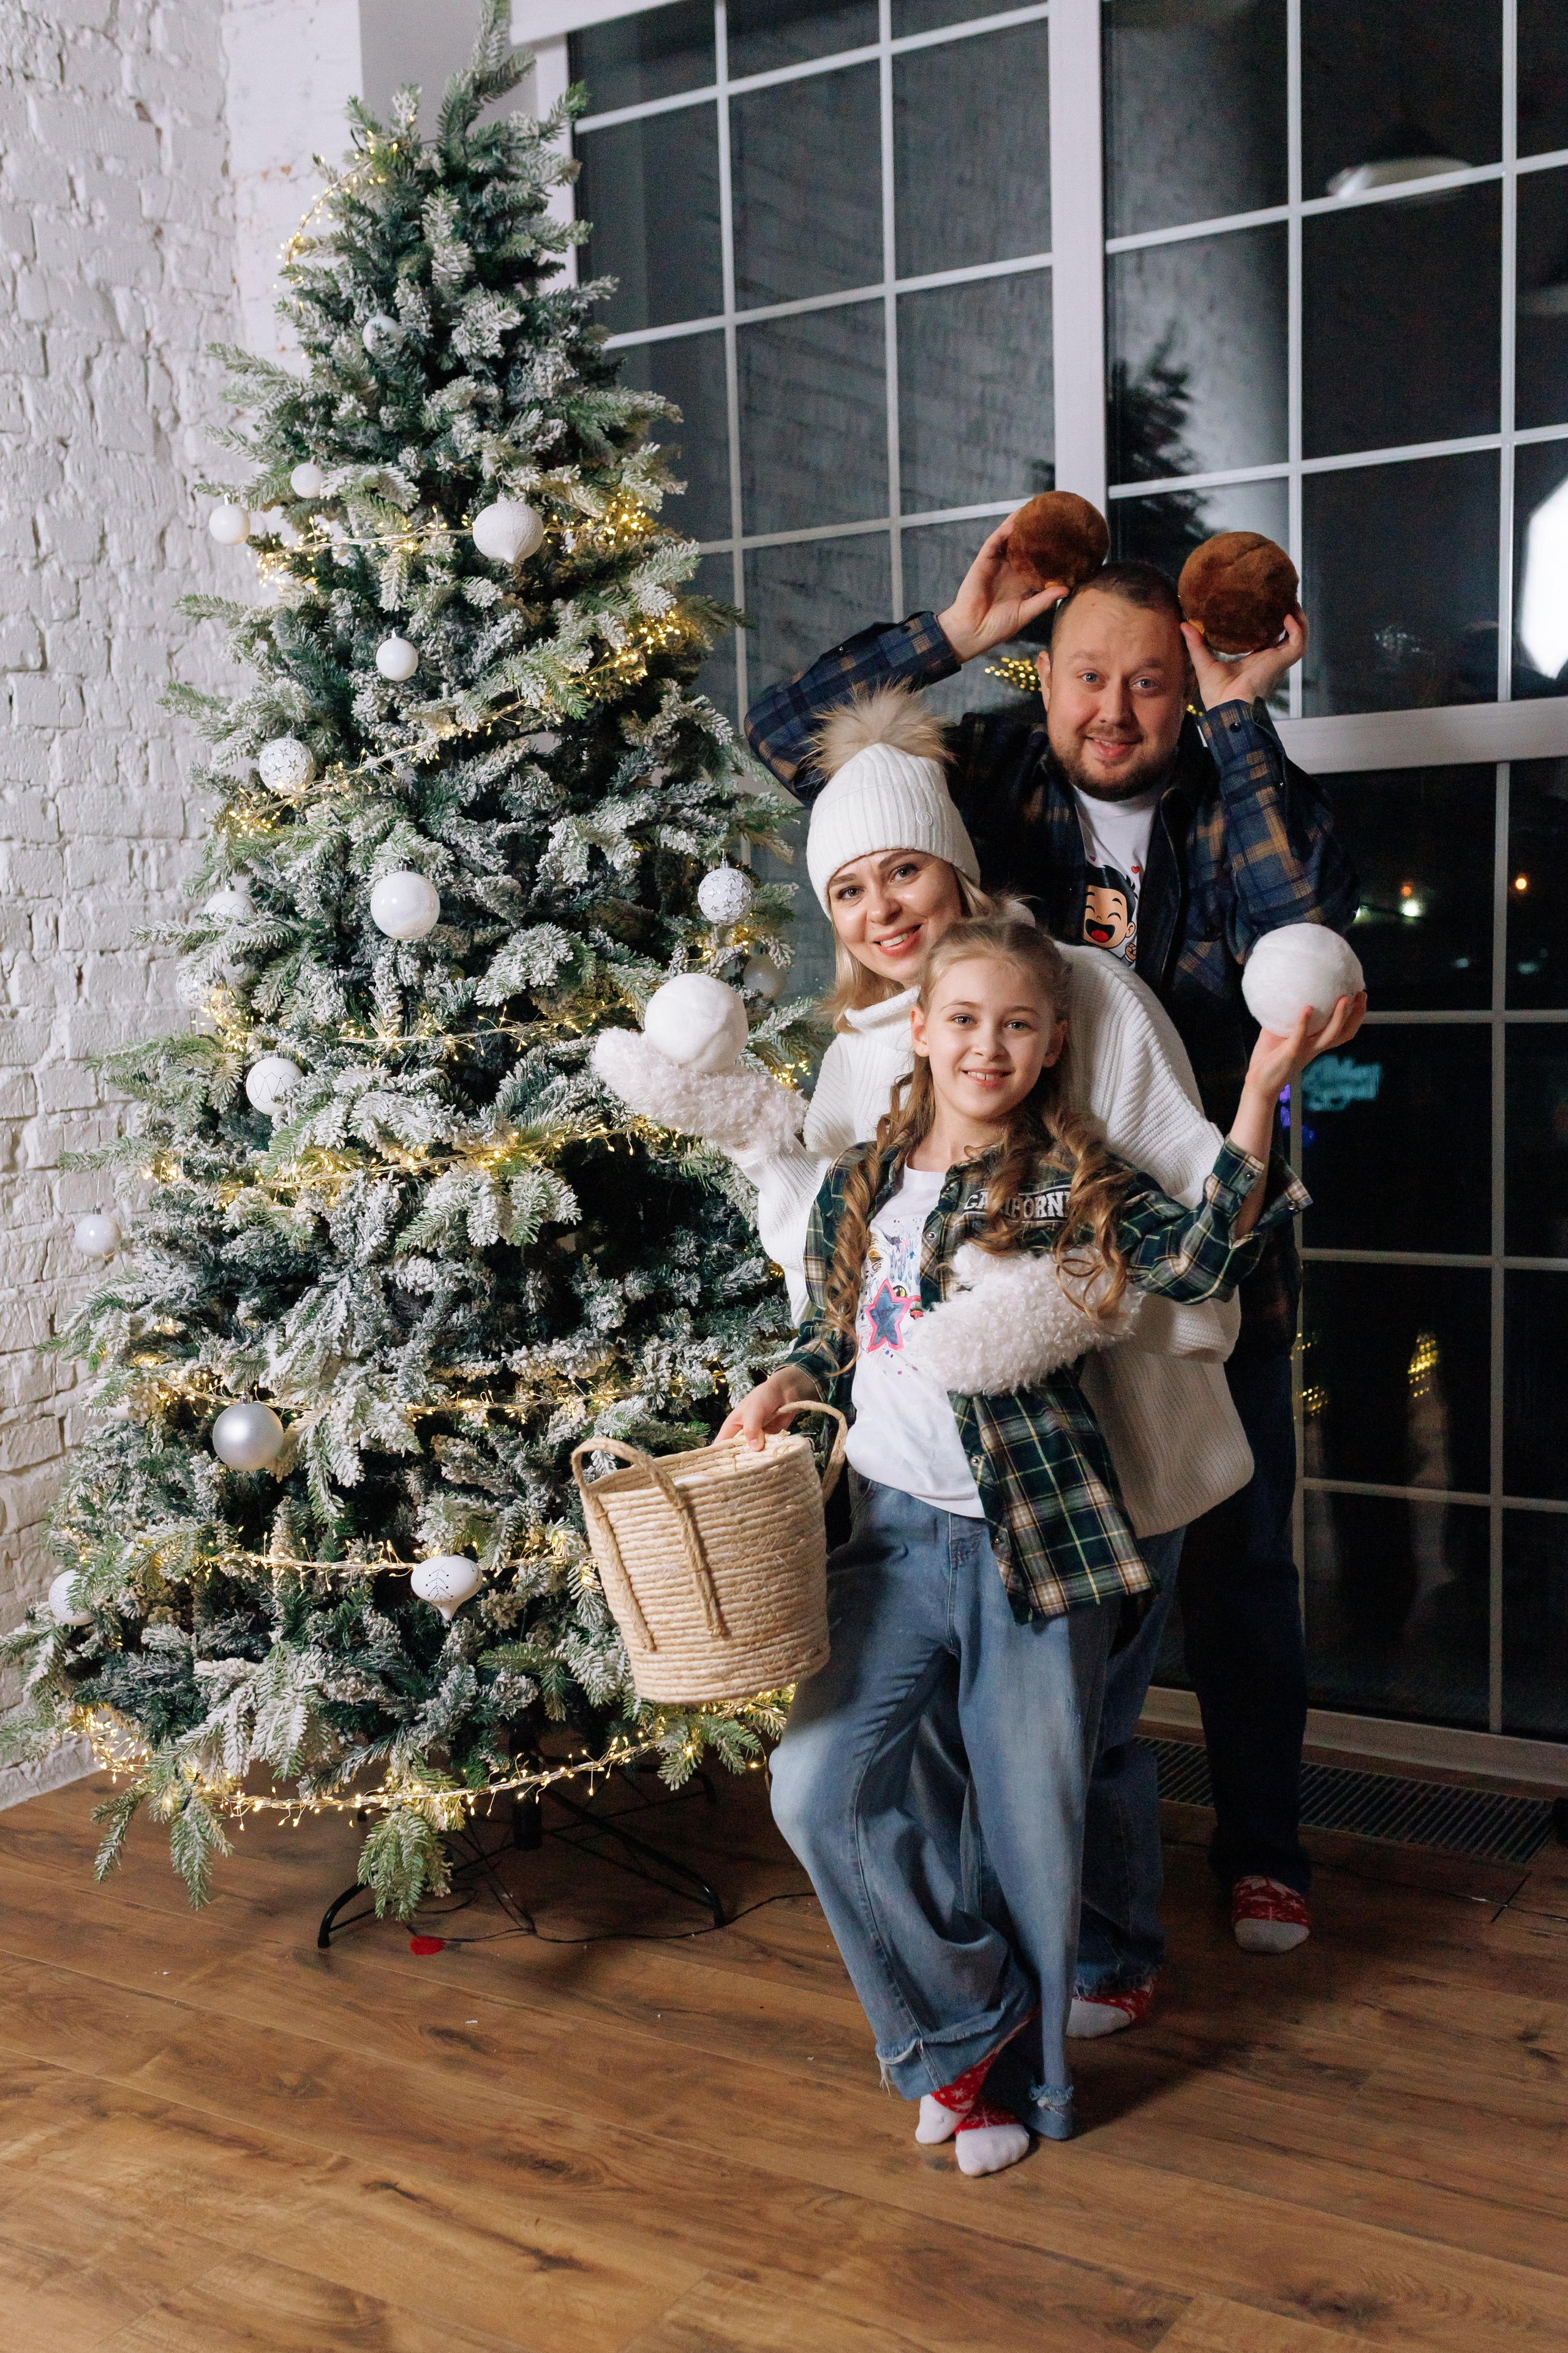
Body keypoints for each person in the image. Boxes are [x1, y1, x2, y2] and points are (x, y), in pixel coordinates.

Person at [744, 525, 1362, 1971]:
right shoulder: (999, 776)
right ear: (1047, 677)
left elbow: (1296, 942)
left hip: (1195, 1215)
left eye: (1148, 684)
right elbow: (804, 754)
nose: (1110, 710)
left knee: (1239, 1574)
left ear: (1187, 684)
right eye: (1085, 675)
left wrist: (1233, 713)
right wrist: (951, 635)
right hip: (1018, 1266)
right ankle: (1053, 1918)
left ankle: (1260, 1849)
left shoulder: (1228, 788)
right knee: (1052, 1657)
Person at [594, 692, 1259, 2026]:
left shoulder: (1082, 997)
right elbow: (840, 1271)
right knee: (960, 1751)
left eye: (901, 868)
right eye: (845, 887)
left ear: (952, 864)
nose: (880, 906)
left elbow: (1187, 1208)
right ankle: (999, 1984)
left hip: (1110, 1442)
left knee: (1091, 1739)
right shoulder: (854, 1060)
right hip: (942, 1468)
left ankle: (1108, 1955)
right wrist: (768, 1194)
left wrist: (1089, 1302)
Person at [720, 917, 1353, 2168]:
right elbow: (832, 1332)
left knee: (1025, 1825)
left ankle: (1022, 2090)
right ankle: (962, 2034)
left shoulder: (1069, 1181)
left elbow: (1204, 1254)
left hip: (1034, 1546)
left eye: (1016, 1022)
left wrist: (1259, 1091)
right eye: (962, 1019)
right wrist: (779, 1388)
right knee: (818, 1783)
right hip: (887, 1545)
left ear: (1052, 1037)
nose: (986, 1045)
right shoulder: (861, 1176)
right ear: (920, 1028)